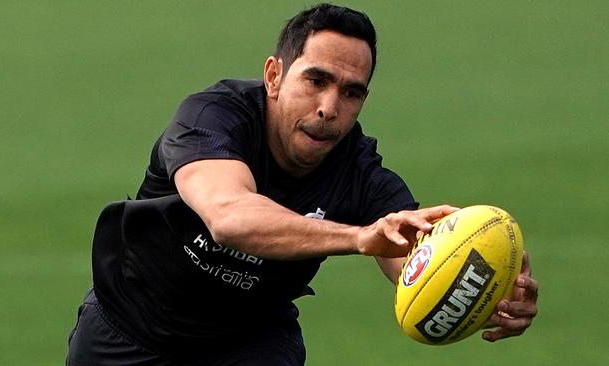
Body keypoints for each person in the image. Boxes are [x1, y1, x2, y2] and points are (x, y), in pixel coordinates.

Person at [66, 4, 538, 365]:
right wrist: (357, 237)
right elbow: (230, 218)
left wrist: (494, 293)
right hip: (126, 329)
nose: (329, 107)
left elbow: (417, 259)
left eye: (351, 92)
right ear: (274, 76)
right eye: (316, 80)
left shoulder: (359, 172)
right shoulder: (213, 119)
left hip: (248, 344)